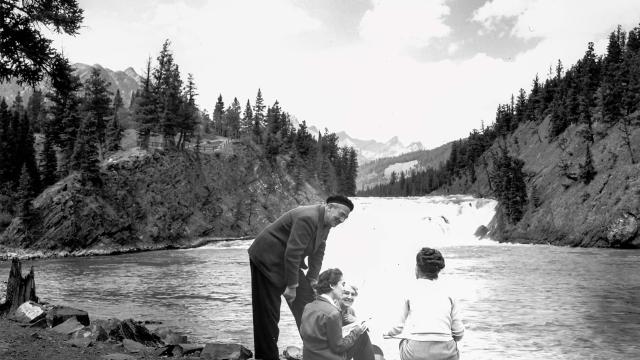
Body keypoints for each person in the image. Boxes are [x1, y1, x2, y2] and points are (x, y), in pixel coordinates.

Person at [248, 195, 354, 360]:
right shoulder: (308, 217)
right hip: (266, 258)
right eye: (340, 214)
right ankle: (266, 356)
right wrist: (292, 287)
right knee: (268, 311)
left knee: (308, 303)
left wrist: (312, 279)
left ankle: (320, 354)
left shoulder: (327, 222)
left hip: (286, 261)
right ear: (329, 207)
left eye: (345, 217)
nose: (342, 219)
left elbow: (319, 251)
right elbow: (293, 252)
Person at [383, 248, 464, 360]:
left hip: (416, 353)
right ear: (437, 270)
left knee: (403, 342)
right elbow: (458, 332)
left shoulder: (408, 289)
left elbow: (397, 328)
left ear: (417, 268)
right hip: (447, 352)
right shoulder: (450, 290)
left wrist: (386, 333)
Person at [300, 268, 368, 360]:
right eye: (342, 284)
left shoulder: (308, 306)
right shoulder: (332, 312)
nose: (343, 288)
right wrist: (356, 332)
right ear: (332, 285)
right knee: (361, 334)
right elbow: (338, 347)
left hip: (310, 357)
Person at [340, 284, 375, 360]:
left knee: (363, 332)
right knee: (361, 334)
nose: (350, 297)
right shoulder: (333, 310)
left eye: (353, 294)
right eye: (346, 293)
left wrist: (355, 321)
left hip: (345, 348)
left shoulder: (350, 311)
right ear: (339, 294)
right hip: (334, 352)